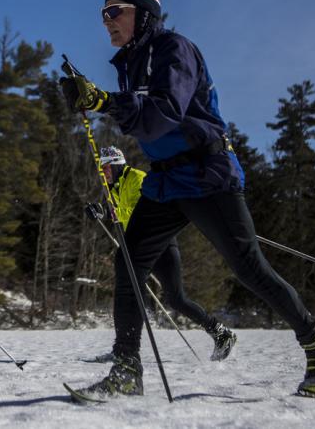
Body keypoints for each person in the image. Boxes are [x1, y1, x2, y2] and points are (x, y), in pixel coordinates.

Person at [61, 0, 315, 398]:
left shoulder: (174, 49)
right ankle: (126, 370)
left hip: (207, 172)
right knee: (129, 263)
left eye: (114, 11)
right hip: (165, 180)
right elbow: (142, 123)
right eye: (103, 14)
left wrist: (103, 102)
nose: (106, 22)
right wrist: (97, 101)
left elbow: (164, 113)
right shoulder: (130, 63)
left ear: (143, 13)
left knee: (249, 268)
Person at [95, 145, 236, 362]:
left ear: (116, 165)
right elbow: (123, 219)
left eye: (105, 168)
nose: (102, 173)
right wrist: (101, 213)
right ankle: (122, 349)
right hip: (141, 244)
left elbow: (139, 212)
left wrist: (113, 213)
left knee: (176, 298)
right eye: (100, 168)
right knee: (129, 288)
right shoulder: (113, 188)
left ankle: (220, 332)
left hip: (161, 243)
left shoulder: (136, 178)